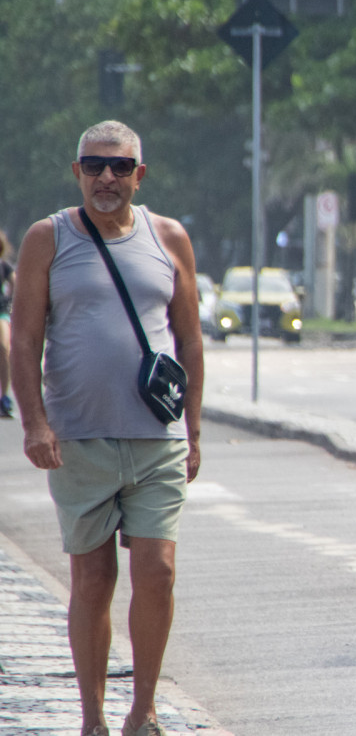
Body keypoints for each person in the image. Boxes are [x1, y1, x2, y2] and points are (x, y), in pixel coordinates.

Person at [10, 120, 204, 736]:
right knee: (93, 578)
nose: (106, 177)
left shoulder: (168, 237)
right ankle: (93, 718)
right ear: (77, 172)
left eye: (120, 167)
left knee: (158, 571)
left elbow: (190, 340)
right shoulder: (47, 238)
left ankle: (143, 712)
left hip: (157, 436)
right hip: (78, 439)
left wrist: (195, 431)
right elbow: (24, 340)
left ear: (139, 175)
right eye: (94, 165)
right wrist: (35, 424)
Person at [0, 229, 14, 418]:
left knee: (4, 349)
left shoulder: (4, 266)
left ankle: (4, 397)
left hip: (1, 312)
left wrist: (11, 301)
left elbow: (16, 284)